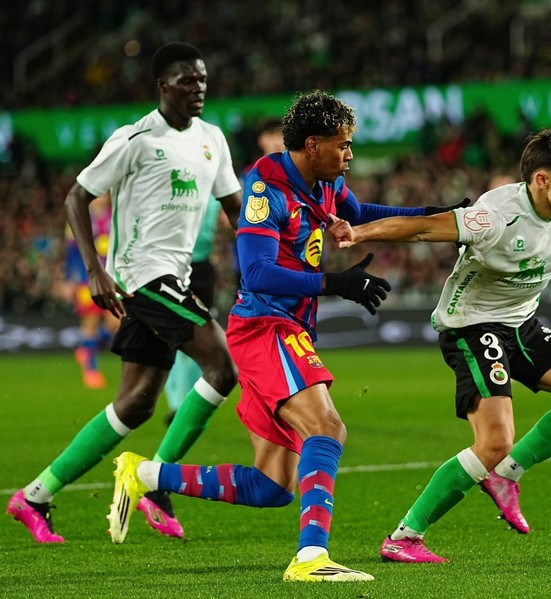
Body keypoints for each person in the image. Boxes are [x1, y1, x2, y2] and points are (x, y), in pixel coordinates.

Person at [107, 90, 465, 582]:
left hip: (288, 329)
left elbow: (360, 213)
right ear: (312, 144)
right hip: (264, 327)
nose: (350, 154)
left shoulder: (324, 183)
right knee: (327, 427)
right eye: (342, 145)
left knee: (273, 484)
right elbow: (256, 273)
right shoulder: (265, 191)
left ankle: (143, 473)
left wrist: (441, 212)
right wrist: (335, 283)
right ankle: (311, 558)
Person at [329, 128, 551, 562]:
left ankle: (506, 476)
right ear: (541, 180)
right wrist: (359, 234)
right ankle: (404, 537)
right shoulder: (495, 216)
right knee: (494, 442)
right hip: (471, 326)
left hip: (521, 323)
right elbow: (420, 230)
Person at [6, 42, 242, 543]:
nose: (198, 88)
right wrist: (95, 270)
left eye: (202, 79)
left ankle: (34, 496)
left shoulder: (212, 140)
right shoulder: (135, 138)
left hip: (177, 275)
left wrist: (266, 261)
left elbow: (236, 210)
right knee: (222, 366)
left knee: (135, 404)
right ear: (162, 86)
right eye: (187, 80)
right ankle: (155, 484)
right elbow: (77, 195)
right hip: (140, 278)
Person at [163, 117, 283, 421]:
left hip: (209, 267)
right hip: (180, 266)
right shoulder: (238, 178)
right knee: (188, 333)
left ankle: (271, 396)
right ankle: (180, 400)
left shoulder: (229, 181)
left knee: (205, 330)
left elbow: (233, 221)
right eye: (272, 135)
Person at [64, 193, 119, 389]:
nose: (102, 197)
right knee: (90, 323)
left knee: (116, 321)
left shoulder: (115, 215)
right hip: (86, 279)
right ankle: (91, 371)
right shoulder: (80, 216)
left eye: (105, 193)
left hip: (110, 278)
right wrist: (69, 280)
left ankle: (87, 350)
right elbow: (71, 252)